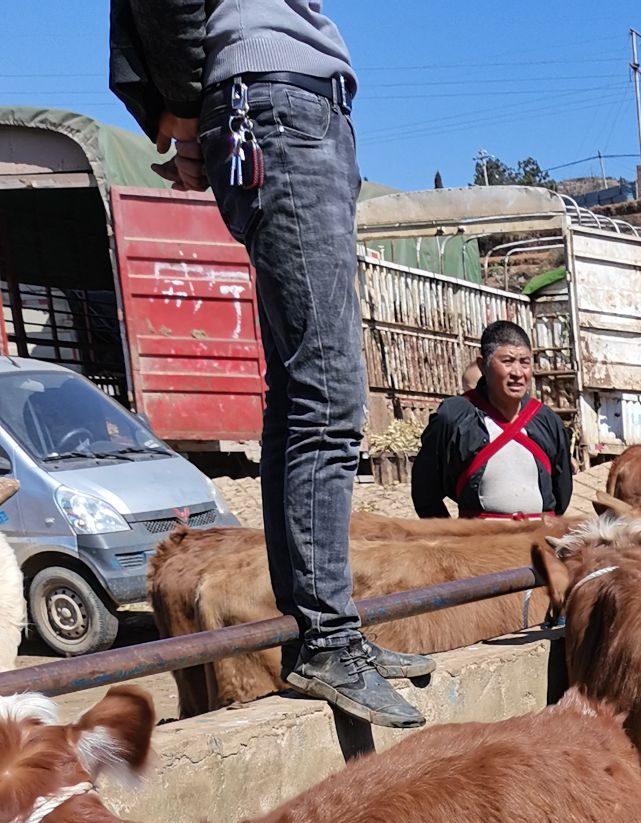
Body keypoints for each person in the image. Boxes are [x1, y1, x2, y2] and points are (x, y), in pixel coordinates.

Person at [108, 0, 426, 727]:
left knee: (299, 389)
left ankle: (325, 627)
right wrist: (185, 114)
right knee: (328, 394)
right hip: (274, 104)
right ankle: (326, 638)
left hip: (290, 107)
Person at [411, 321, 574, 520]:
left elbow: (562, 492)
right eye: (507, 361)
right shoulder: (454, 417)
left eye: (525, 362)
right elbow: (425, 491)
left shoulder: (548, 421)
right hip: (480, 544)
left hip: (537, 541)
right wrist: (451, 538)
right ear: (483, 365)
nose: (517, 372)